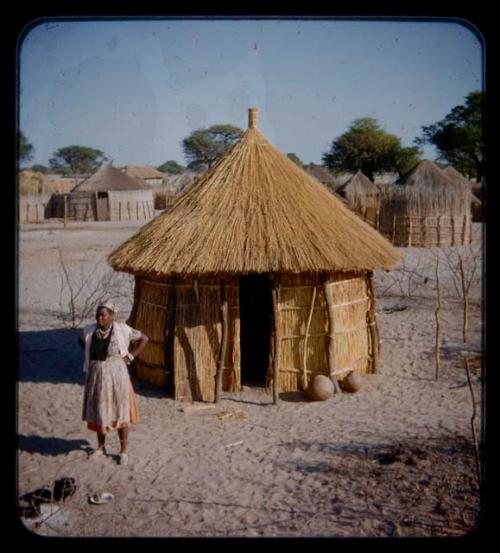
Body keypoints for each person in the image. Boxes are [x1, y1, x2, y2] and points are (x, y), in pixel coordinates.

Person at [79, 301, 149, 465]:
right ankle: (101, 447)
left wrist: (130, 356)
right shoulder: (90, 330)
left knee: (121, 412)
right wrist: (90, 354)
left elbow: (144, 338)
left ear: (112, 316)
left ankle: (123, 452)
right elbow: (82, 341)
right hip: (97, 376)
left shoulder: (122, 330)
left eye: (103, 315)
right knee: (99, 411)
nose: (99, 318)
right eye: (98, 315)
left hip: (118, 377)